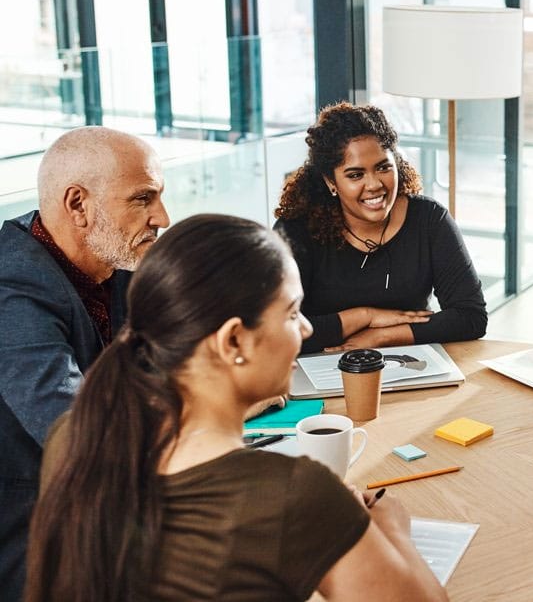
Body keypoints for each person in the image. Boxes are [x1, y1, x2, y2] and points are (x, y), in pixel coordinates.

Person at [25, 214, 447, 602]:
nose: (307, 328)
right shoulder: (294, 495)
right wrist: (392, 530)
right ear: (233, 342)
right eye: (292, 313)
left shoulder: (74, 436)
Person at [0, 126, 169, 602]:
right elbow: (75, 427)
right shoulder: (11, 288)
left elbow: (170, 362)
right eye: (143, 199)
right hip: (35, 534)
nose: (162, 216)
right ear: (78, 205)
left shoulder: (113, 263)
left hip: (115, 505)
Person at [274, 102, 487, 353]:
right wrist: (365, 316)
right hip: (319, 367)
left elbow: (471, 317)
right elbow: (275, 331)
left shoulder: (429, 219)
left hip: (409, 363)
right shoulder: (296, 230)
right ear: (331, 181)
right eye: (355, 175)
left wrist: (382, 338)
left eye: (383, 167)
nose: (374, 185)